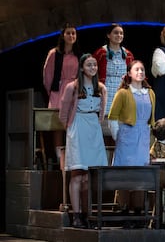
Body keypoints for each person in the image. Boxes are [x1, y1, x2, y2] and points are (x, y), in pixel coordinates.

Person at [59, 53, 108, 228]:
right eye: (89, 65)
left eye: (94, 65)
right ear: (81, 68)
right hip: (77, 127)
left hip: (93, 128)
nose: (93, 68)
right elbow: (63, 114)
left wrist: (96, 123)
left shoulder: (100, 88)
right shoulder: (72, 87)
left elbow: (102, 112)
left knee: (88, 177)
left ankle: (88, 214)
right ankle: (77, 215)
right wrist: (70, 129)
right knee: (77, 174)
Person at [107, 60, 156, 222]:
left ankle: (138, 210)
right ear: (129, 73)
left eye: (142, 69)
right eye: (137, 69)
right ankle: (123, 208)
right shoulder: (123, 93)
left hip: (143, 137)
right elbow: (112, 117)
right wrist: (118, 136)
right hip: (127, 135)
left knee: (140, 174)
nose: (140, 72)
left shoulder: (150, 93)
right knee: (125, 174)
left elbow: (151, 118)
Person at [43, 23, 82, 167]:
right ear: (63, 35)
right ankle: (60, 159)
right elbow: (47, 75)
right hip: (59, 92)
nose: (71, 36)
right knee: (59, 126)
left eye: (73, 33)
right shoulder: (54, 53)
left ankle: (73, 159)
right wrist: (53, 92)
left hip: (74, 92)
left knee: (74, 125)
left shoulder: (79, 54)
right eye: (68, 33)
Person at [93, 23, 135, 141]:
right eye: (116, 33)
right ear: (108, 35)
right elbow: (91, 71)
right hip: (106, 91)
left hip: (122, 91)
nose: (119, 35)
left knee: (120, 124)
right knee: (105, 125)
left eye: (121, 33)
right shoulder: (101, 53)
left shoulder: (128, 54)